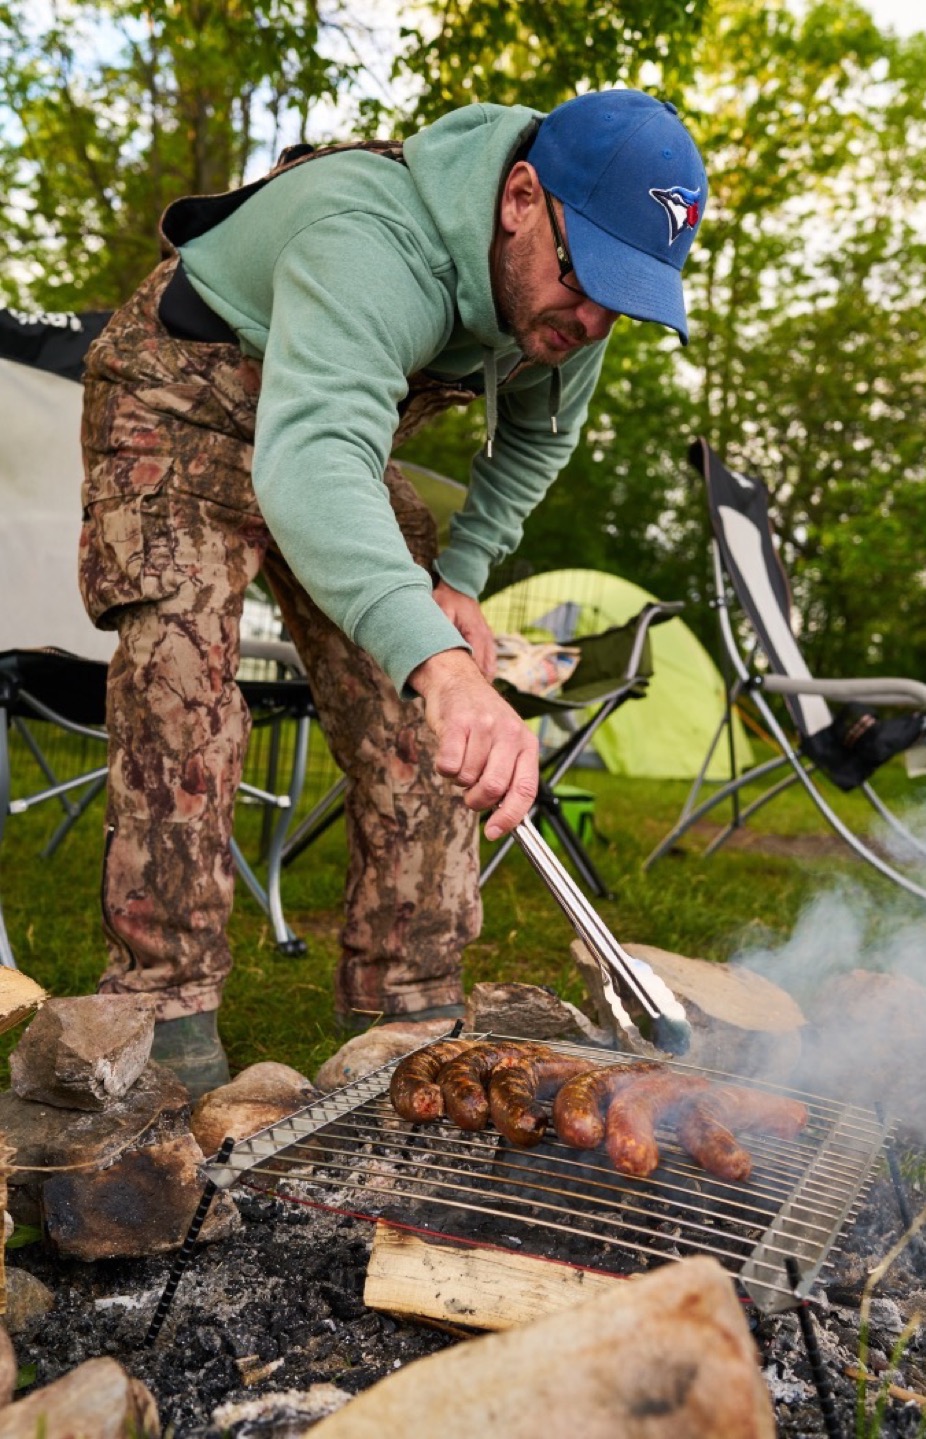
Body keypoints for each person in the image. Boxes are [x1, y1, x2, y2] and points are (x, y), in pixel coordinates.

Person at [78, 88, 708, 1097]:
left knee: (430, 715)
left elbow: (538, 441)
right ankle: (166, 1011)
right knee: (180, 679)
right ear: (518, 198)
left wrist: (456, 586)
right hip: (182, 400)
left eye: (624, 300)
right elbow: (314, 463)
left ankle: (406, 1013)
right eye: (587, 276)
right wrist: (445, 665)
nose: (593, 320)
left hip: (332, 426)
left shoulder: (570, 313)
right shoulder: (370, 235)